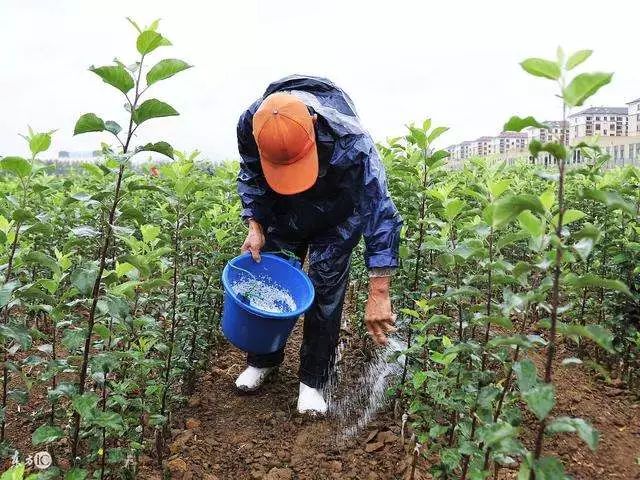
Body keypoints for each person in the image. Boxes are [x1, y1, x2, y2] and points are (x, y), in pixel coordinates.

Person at [234, 75, 402, 415]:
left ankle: (313, 381)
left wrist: (379, 290)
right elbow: (252, 172)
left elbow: (379, 212)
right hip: (281, 213)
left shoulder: (351, 142)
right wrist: (255, 224)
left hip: (336, 220)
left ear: (313, 123)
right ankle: (263, 360)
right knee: (273, 283)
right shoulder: (251, 124)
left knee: (325, 294)